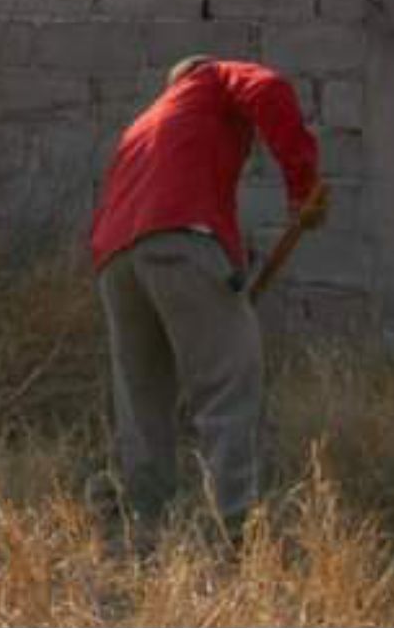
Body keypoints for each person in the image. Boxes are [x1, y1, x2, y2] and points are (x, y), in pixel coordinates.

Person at [88, 55, 327, 537]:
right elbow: (271, 87)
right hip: (182, 239)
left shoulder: (144, 124)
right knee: (228, 385)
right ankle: (237, 529)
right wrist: (302, 186)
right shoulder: (215, 79)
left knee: (143, 402)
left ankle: (143, 528)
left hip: (116, 263)